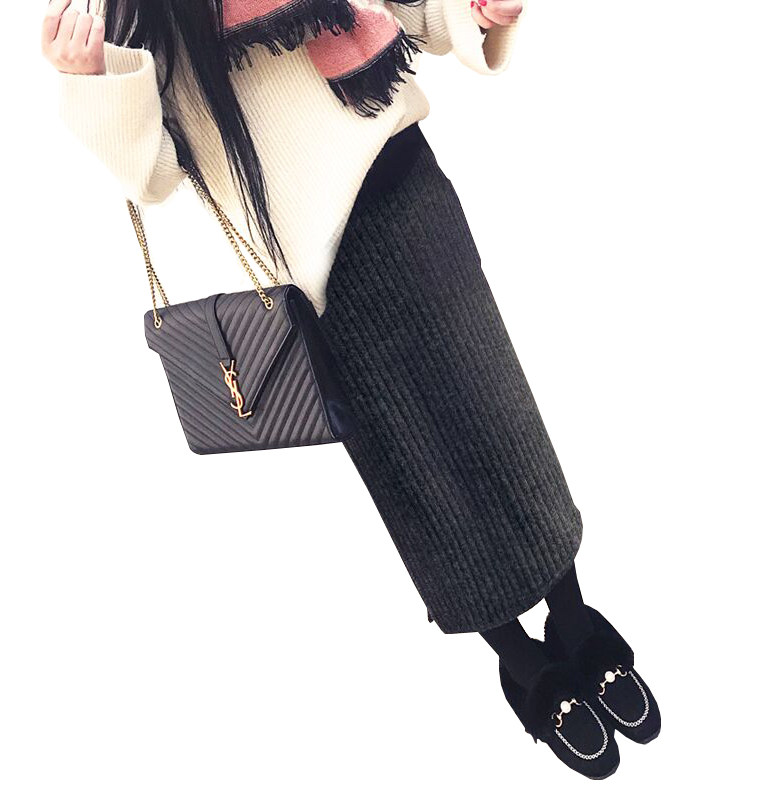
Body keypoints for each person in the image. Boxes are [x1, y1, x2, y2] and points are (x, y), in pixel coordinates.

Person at [42, 0, 660, 778]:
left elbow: (414, 15)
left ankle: (574, 620)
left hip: (408, 188)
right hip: (316, 273)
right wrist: (92, 78)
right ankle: (518, 657)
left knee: (501, 417)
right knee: (417, 475)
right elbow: (154, 171)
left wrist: (480, 13)